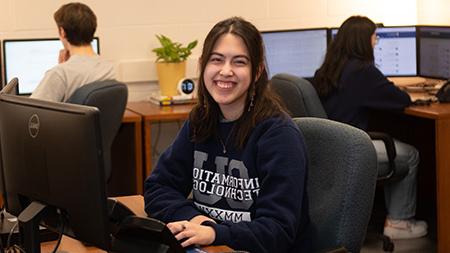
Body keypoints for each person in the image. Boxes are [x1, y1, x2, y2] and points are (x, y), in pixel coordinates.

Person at [144, 17, 310, 252]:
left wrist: (214, 232)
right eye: (216, 60)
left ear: (257, 71)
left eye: (239, 62)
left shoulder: (278, 135)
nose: (225, 71)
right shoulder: (200, 120)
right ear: (203, 65)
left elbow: (278, 230)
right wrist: (198, 221)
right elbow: (158, 187)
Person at [313, 15, 427, 239]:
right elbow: (400, 100)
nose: (376, 42)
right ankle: (399, 223)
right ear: (362, 41)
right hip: (353, 150)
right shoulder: (362, 72)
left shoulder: (328, 69)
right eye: (374, 37)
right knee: (410, 155)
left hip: (331, 148)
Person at [31, 2, 115, 102]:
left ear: (62, 32)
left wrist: (62, 68)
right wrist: (65, 65)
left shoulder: (59, 74)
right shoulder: (109, 69)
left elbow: (30, 113)